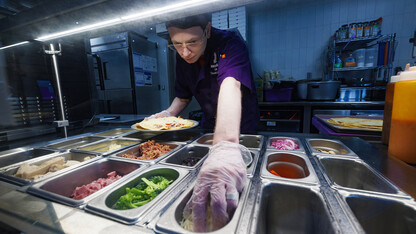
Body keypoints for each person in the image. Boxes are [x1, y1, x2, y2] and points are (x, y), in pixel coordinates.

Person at [148, 14, 259, 232]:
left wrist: (225, 145)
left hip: (240, 128)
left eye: (192, 42)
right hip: (208, 127)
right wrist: (168, 113)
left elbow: (231, 84)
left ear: (207, 29)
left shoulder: (230, 43)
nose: (185, 52)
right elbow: (183, 95)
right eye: (177, 44)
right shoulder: (184, 53)